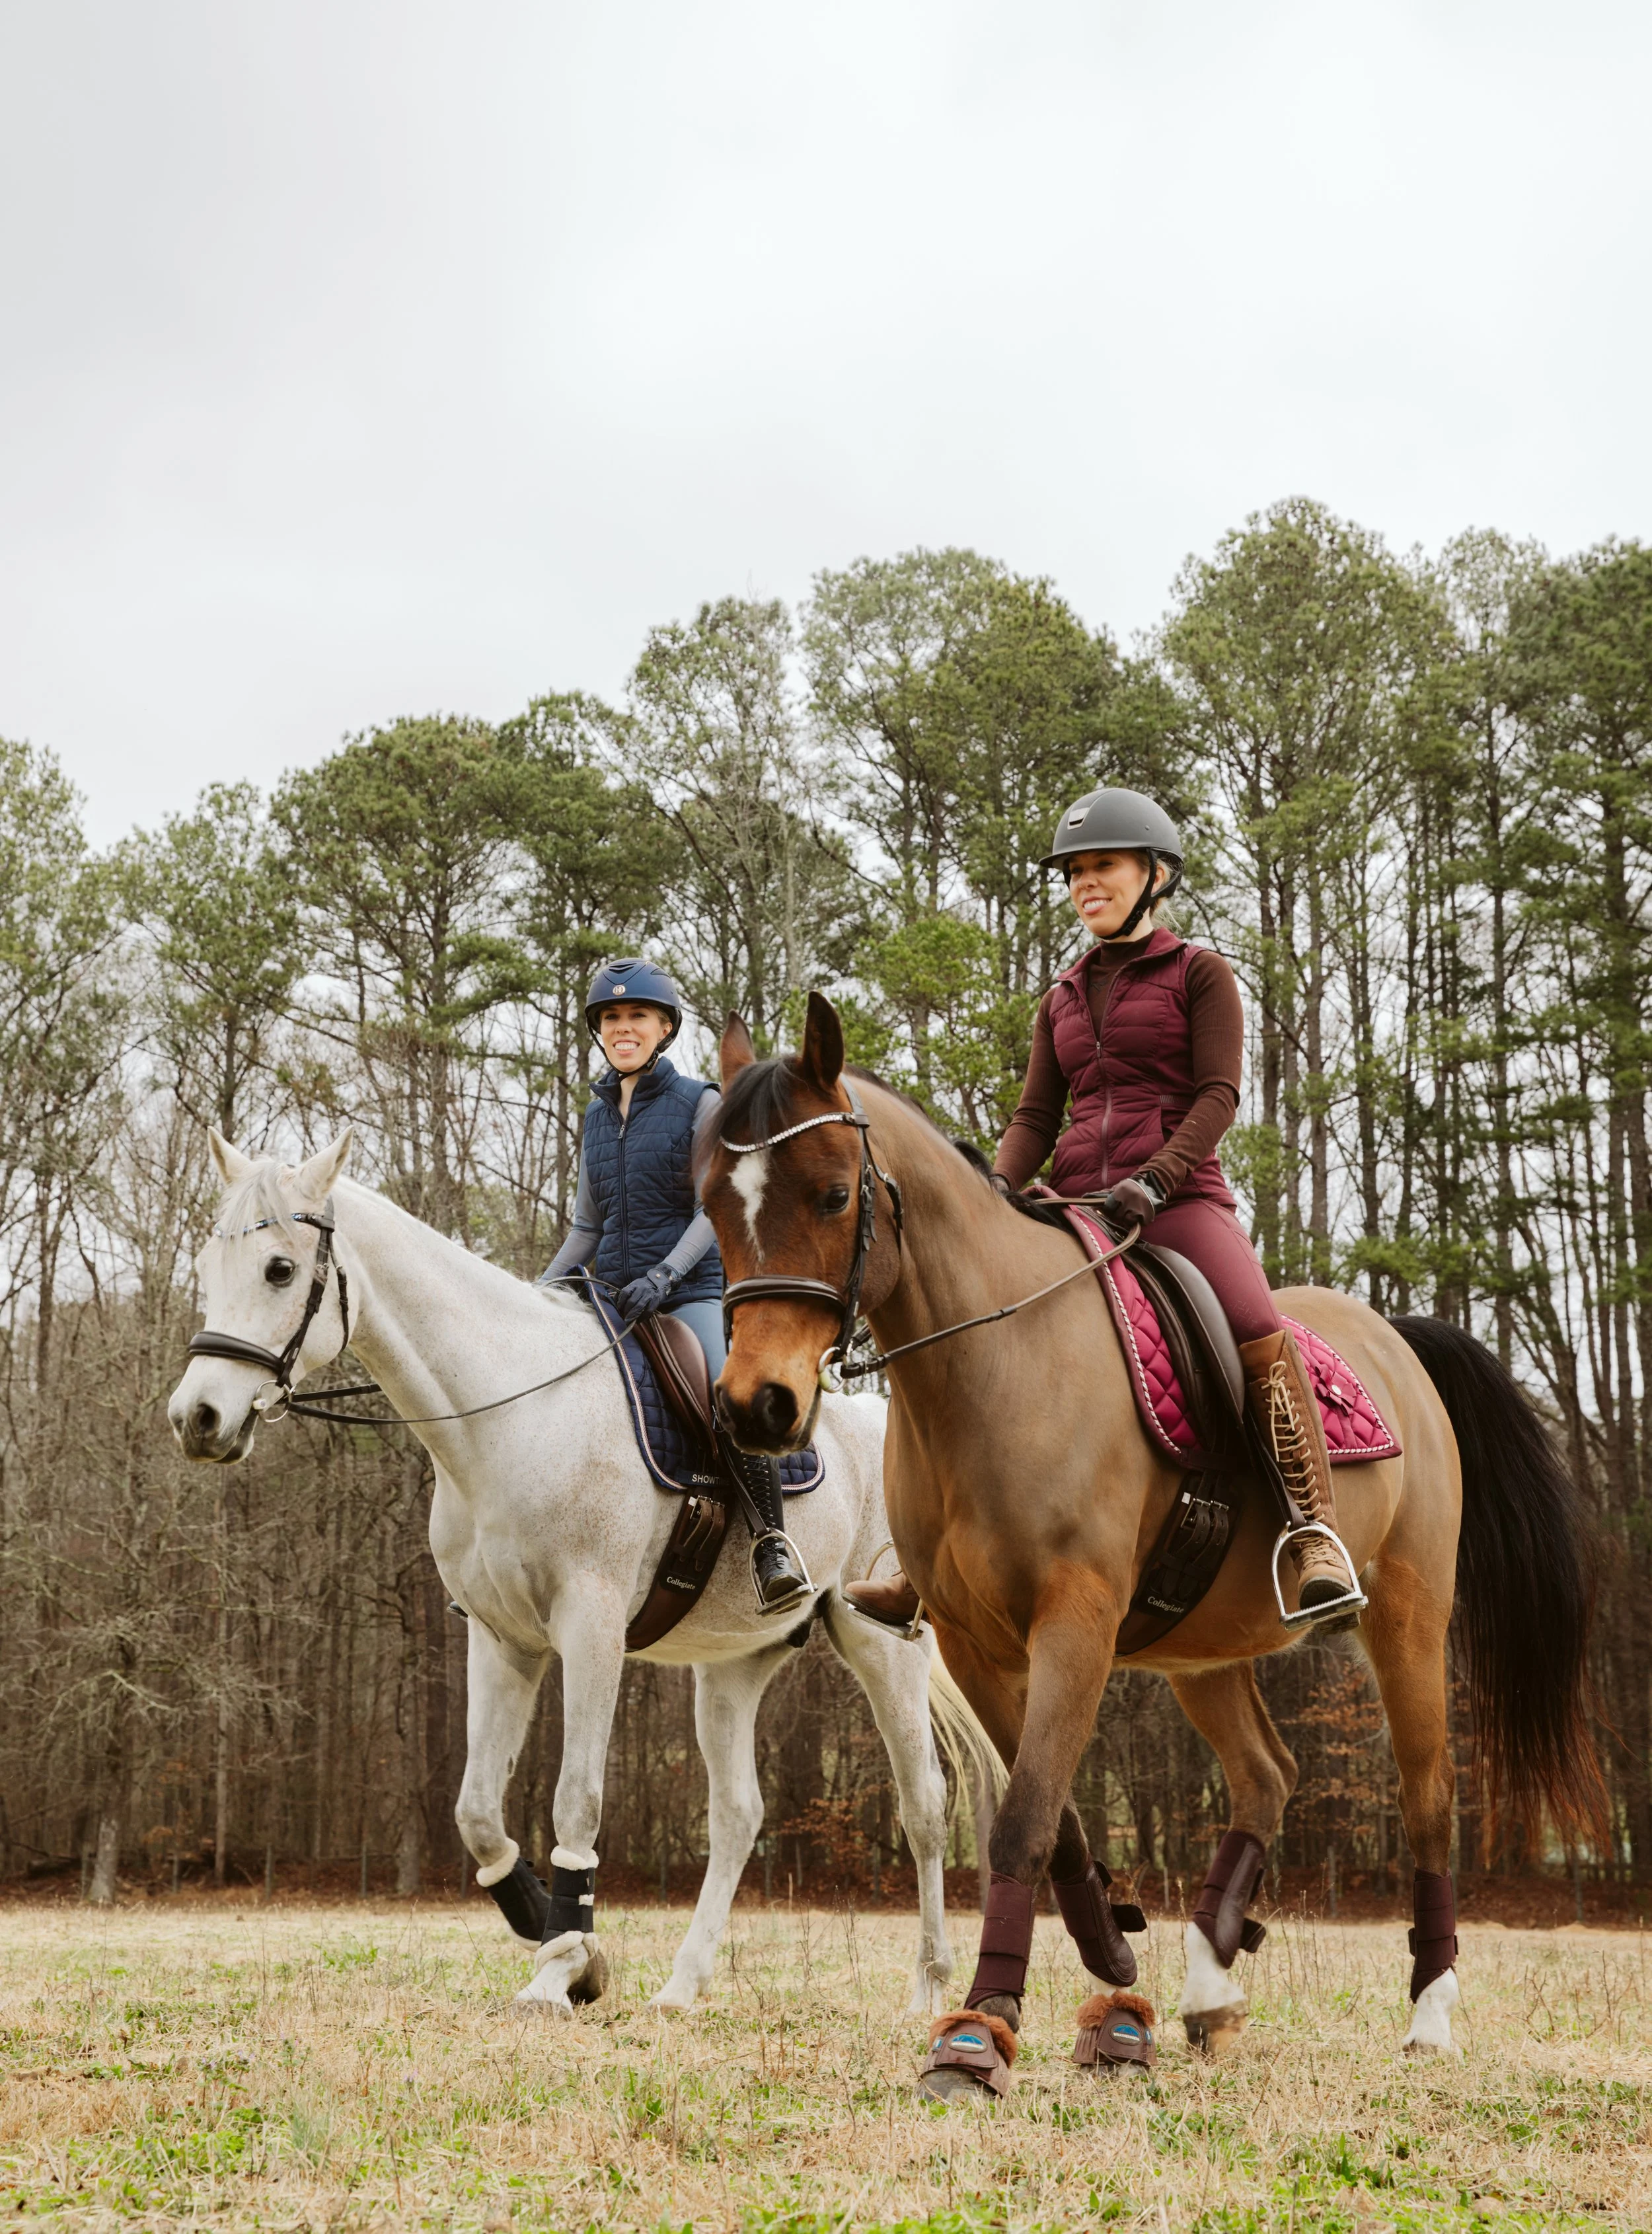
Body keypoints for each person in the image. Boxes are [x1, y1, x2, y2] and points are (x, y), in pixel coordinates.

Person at [846, 788, 1361, 1633]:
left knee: (1253, 1325)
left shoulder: (1200, 973)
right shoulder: (1062, 995)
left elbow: (1218, 1094)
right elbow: (1035, 1119)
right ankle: (925, 1562)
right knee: (961, 1322)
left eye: (1104, 868)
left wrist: (1157, 1181)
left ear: (1154, 876)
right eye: (1076, 873)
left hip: (1177, 1201)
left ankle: (1314, 1535)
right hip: (1076, 1201)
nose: (1087, 884)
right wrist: (995, 1195)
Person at [539, 957, 811, 1615]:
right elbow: (586, 1225)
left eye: (637, 1017)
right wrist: (537, 1291)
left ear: (664, 1028)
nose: (622, 1028)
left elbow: (709, 1211)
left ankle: (771, 1543)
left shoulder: (701, 1103)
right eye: (611, 1018)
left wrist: (665, 1276)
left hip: (689, 1293)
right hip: (612, 1297)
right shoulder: (597, 1115)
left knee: (727, 1396)